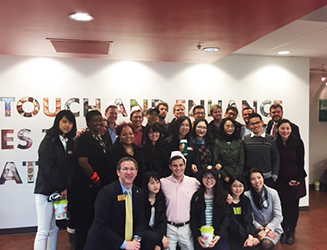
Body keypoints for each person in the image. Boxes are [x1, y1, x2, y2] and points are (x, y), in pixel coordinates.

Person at [34, 110, 77, 250]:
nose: (67, 125)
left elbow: (70, 168)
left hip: (61, 193)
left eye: (70, 122)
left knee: (55, 229)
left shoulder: (70, 142)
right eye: (64, 121)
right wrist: (61, 187)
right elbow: (48, 168)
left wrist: (66, 188)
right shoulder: (49, 140)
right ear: (57, 122)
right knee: (43, 230)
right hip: (46, 191)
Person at [84, 157, 148, 250]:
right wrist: (124, 244)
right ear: (118, 172)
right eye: (125, 169)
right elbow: (101, 226)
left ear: (136, 172)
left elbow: (141, 221)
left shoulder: (139, 194)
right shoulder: (106, 193)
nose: (129, 172)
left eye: (132, 169)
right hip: (103, 244)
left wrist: (136, 239)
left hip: (129, 244)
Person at [70, 110, 109, 250]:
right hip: (85, 188)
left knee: (92, 221)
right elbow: (83, 162)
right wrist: (96, 179)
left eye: (100, 120)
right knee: (84, 223)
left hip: (94, 189)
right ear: (88, 122)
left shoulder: (98, 137)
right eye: (95, 120)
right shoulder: (85, 138)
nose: (99, 123)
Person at [275, 119, 307, 245]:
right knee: (282, 206)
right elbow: (276, 164)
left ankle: (291, 231)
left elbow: (300, 162)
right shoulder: (275, 143)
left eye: (287, 128)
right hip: (282, 180)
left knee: (293, 207)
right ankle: (283, 230)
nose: (285, 131)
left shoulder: (297, 142)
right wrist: (286, 180)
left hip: (296, 179)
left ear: (291, 129)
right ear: (278, 129)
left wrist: (297, 179)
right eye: (282, 128)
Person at [161, 152, 200, 250]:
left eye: (181, 165)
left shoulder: (193, 182)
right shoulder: (162, 182)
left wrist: (227, 196)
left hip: (186, 227)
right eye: (175, 166)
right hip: (169, 227)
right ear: (170, 167)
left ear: (185, 166)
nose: (178, 168)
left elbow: (209, 189)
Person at [190, 165, 231, 250]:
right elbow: (193, 218)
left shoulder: (223, 196)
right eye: (206, 177)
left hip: (218, 234)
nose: (209, 180)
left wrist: (219, 235)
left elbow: (227, 217)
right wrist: (198, 236)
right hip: (201, 235)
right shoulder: (197, 196)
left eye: (212, 177)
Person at [244, 169, 283, 250]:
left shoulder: (273, 193)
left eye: (259, 177)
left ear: (263, 178)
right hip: (255, 228)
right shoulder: (246, 195)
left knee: (266, 244)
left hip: (273, 229)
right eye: (253, 179)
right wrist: (262, 229)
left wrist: (266, 230)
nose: (257, 181)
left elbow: (278, 217)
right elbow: (250, 218)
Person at [243, 113, 279, 189]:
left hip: (268, 178)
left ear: (262, 123)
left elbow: (276, 158)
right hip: (251, 178)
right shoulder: (245, 139)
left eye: (257, 123)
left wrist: (274, 176)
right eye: (252, 124)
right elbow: (243, 158)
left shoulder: (271, 139)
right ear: (249, 125)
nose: (255, 126)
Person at [107, 122, 145, 186]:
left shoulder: (139, 150)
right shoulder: (113, 152)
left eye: (130, 134)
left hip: (137, 185)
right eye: (124, 134)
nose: (128, 136)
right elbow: (110, 174)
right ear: (119, 136)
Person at [228, 176, 259, 250]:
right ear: (230, 187)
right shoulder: (227, 202)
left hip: (245, 232)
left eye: (240, 186)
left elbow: (248, 220)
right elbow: (232, 223)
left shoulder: (246, 200)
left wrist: (250, 235)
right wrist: (247, 237)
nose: (238, 189)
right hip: (232, 233)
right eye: (235, 186)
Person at [213, 118, 244, 188]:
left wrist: (235, 177)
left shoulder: (239, 142)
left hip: (237, 177)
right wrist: (225, 176)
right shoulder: (217, 142)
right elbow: (216, 160)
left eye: (232, 126)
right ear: (222, 127)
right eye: (227, 126)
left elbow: (241, 162)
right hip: (223, 177)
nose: (230, 128)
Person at [142, 172, 169, 250]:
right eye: (152, 183)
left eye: (157, 182)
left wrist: (160, 239)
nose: (155, 186)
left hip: (157, 233)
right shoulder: (142, 200)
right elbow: (142, 223)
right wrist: (160, 237)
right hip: (145, 234)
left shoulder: (161, 199)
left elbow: (162, 221)